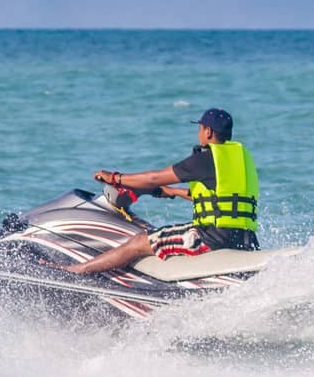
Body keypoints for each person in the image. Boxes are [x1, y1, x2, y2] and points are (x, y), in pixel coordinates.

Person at [53, 108, 259, 274]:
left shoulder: (205, 159)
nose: (198, 133)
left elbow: (154, 177)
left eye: (200, 128)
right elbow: (219, 201)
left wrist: (115, 178)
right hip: (245, 237)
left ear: (208, 132)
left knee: (139, 242)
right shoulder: (240, 158)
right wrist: (173, 192)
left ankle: (79, 270)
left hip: (212, 237)